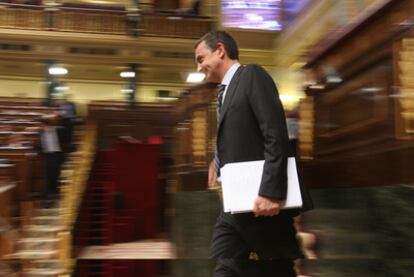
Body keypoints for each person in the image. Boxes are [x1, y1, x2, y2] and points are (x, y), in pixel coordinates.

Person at [194, 31, 304, 276]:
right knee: (225, 264)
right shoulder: (224, 93)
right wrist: (218, 161)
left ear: (220, 50)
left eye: (201, 59)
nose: (200, 67)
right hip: (235, 203)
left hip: (262, 203)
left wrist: (270, 192)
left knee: (275, 268)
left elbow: (275, 134)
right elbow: (241, 136)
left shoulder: (252, 75)